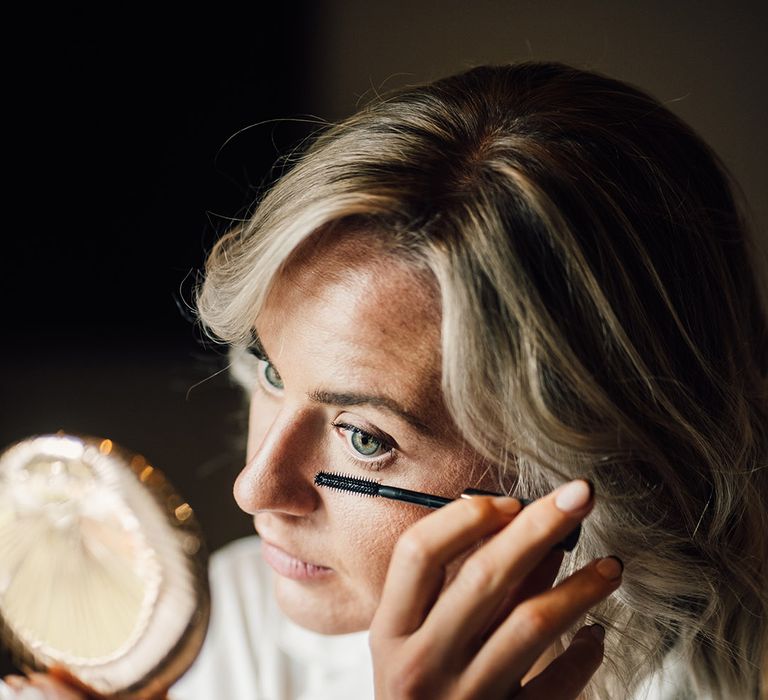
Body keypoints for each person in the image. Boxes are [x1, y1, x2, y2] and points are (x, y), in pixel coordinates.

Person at [4, 61, 767, 699]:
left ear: (589, 478)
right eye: (272, 369)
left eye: (365, 437)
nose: (255, 489)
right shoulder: (224, 639)